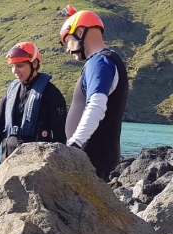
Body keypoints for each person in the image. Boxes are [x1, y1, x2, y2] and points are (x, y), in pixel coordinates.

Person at [0, 42, 68, 182]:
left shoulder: (52, 94)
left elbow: (61, 137)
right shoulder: (10, 92)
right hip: (8, 162)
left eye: (20, 66)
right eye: (13, 66)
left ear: (34, 63)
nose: (15, 71)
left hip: (35, 167)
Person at [59, 9, 129, 181]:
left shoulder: (100, 62)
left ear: (80, 32)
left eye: (67, 41)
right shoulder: (106, 60)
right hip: (94, 156)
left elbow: (96, 105)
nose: (68, 49)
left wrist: (75, 143)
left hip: (89, 157)